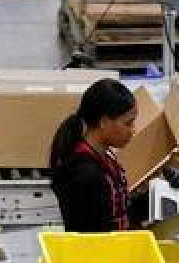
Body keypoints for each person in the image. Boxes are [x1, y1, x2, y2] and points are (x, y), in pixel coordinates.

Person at [48, 78, 140, 232]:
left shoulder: (105, 158)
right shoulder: (84, 175)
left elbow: (120, 210)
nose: (133, 130)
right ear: (104, 122)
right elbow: (97, 236)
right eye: (128, 123)